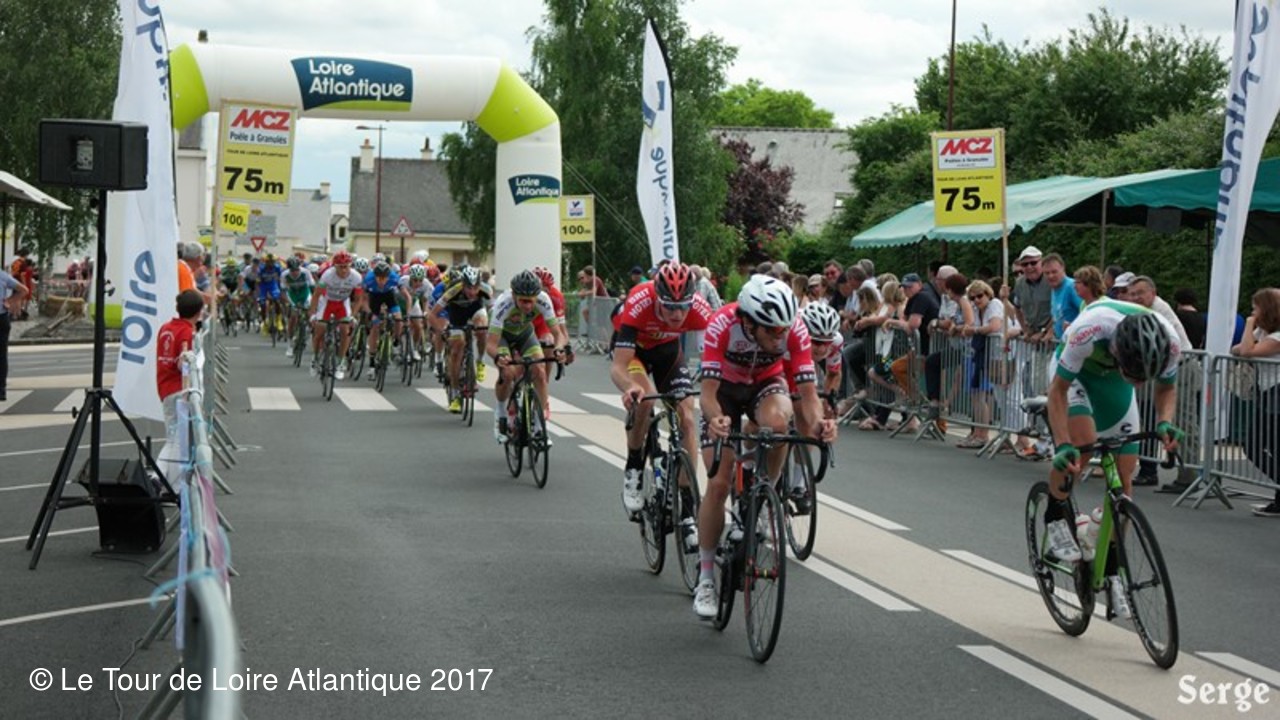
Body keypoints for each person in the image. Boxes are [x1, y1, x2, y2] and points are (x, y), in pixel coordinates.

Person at [692, 275, 836, 618]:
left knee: (778, 424)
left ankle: (762, 495)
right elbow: (708, 394)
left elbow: (808, 396)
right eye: (771, 331)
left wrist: (820, 423)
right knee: (719, 483)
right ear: (748, 322)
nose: (779, 337)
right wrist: (715, 419)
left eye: (783, 329)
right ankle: (706, 576)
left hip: (766, 384)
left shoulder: (794, 330)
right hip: (724, 391)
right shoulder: (721, 325)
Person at [1042, 300, 1184, 619]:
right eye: (1135, 375)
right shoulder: (1089, 330)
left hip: (1113, 383)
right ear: (1118, 351)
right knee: (1083, 446)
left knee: (1124, 479)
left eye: (1143, 378)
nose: (1139, 384)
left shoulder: (1170, 344)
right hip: (1077, 378)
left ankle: (1110, 567)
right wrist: (1063, 444)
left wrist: (1164, 422)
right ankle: (1054, 516)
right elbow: (1058, 391)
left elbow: (1166, 389)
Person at [611, 263, 711, 526]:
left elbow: (712, 362)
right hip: (635, 352)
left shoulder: (700, 310)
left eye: (683, 306)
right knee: (646, 398)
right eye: (669, 307)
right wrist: (629, 386)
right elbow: (618, 367)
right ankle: (634, 466)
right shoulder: (639, 302)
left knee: (687, 417)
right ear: (657, 298)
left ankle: (687, 504)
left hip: (667, 351)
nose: (677, 314)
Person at [488, 270, 568, 438]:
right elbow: (491, 345)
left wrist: (559, 348)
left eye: (531, 301)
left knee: (540, 370)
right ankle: (500, 413)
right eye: (523, 301)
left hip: (525, 334)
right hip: (503, 336)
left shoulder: (544, 300)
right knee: (507, 374)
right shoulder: (503, 303)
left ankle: (540, 426)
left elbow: (558, 334)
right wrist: (498, 357)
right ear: (514, 296)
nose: (528, 306)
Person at [1231, 288, 1280, 517]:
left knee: (1260, 444)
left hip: (1276, 392)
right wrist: (1252, 331)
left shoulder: (1276, 338)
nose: (1252, 312)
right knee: (1261, 445)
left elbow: (1247, 351)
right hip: (1267, 392)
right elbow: (1238, 349)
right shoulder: (1264, 333)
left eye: (1255, 308)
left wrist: (1250, 324)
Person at [155, 289, 205, 481]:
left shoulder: (165, 328)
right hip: (180, 388)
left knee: (174, 438)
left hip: (164, 386)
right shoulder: (186, 332)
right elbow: (183, 363)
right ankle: (161, 477)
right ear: (198, 312)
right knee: (177, 441)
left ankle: (167, 480)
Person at [430, 266, 492, 413]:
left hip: (476, 311)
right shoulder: (453, 291)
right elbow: (433, 314)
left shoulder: (485, 290)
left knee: (482, 330)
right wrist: (441, 330)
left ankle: (480, 361)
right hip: (457, 315)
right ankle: (455, 393)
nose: (472, 292)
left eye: (475, 288)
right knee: (457, 350)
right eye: (469, 288)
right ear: (463, 285)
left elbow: (494, 310)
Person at [958, 280, 1003, 449]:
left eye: (979, 296)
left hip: (998, 354)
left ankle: (983, 435)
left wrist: (974, 330)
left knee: (986, 395)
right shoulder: (977, 310)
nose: (976, 300)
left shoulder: (995, 304)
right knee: (976, 394)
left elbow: (994, 326)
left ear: (987, 294)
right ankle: (977, 432)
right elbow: (972, 327)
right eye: (973, 298)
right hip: (982, 354)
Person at [308, 250, 363, 381]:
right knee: (320, 329)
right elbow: (316, 295)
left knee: (345, 330)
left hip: (343, 302)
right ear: (335, 266)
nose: (344, 270)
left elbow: (358, 299)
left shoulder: (356, 277)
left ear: (350, 266)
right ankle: (315, 358)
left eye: (346, 267)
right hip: (327, 302)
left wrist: (353, 316)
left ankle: (340, 362)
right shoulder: (327, 275)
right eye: (340, 267)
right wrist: (312, 314)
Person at [1, 266, 32, 401]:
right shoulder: (2, 275)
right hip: (2, 317)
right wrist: (9, 301)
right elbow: (24, 290)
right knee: (2, 354)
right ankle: (1, 389)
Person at [1041, 253, 1081, 341]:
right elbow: (1058, 316)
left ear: (1063, 269)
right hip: (1062, 341)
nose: (1051, 276)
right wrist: (1050, 331)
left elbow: (1088, 311)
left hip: (1076, 342)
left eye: (1054, 272)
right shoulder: (1054, 289)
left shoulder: (1072, 287)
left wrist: (1074, 327)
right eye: (1047, 273)